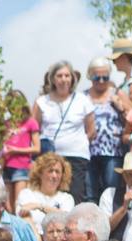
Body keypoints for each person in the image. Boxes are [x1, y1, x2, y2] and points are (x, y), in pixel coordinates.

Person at [32, 61, 94, 202]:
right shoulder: (42, 102)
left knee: (75, 195)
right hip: (50, 157)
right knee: (49, 195)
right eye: (59, 76)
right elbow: (34, 129)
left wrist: (76, 142)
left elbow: (91, 131)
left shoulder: (82, 100)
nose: (63, 79)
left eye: (67, 75)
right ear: (53, 79)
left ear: (72, 78)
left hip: (76, 156)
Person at [84, 58, 128, 203]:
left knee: (111, 190)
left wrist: (120, 108)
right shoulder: (83, 97)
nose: (102, 81)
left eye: (106, 77)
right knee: (90, 192)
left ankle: (112, 223)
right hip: (89, 151)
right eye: (97, 77)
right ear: (90, 76)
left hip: (113, 151)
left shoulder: (117, 93)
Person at [17, 152, 76, 231]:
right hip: (32, 238)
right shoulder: (27, 194)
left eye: (57, 172)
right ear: (40, 173)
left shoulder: (66, 198)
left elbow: (66, 219)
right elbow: (22, 219)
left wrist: (39, 206)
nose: (54, 176)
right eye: (50, 171)